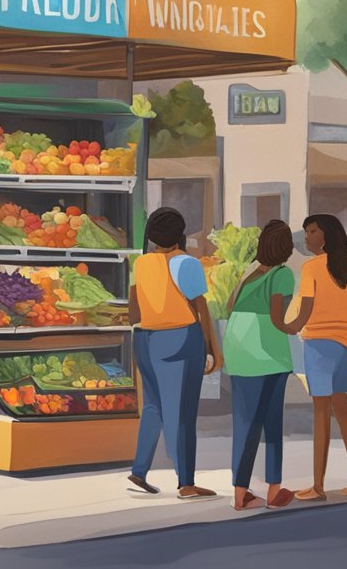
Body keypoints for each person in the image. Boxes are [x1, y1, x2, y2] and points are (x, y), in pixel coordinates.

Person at [127, 206, 221, 500]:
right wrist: (213, 349)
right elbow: (201, 308)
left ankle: (140, 469)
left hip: (144, 338)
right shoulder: (186, 263)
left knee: (153, 407)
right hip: (180, 337)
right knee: (182, 413)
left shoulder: (140, 263)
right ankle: (186, 483)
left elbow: (134, 308)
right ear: (180, 234)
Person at [283, 213, 347, 502]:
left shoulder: (312, 268)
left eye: (312, 231)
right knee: (343, 410)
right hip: (345, 344)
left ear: (326, 235)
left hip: (319, 344)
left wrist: (286, 326)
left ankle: (317, 486)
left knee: (321, 413)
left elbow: (305, 311)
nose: (307, 237)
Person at [222, 220, 296, 511]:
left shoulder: (249, 272)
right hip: (267, 354)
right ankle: (274, 490)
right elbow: (278, 317)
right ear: (286, 248)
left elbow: (229, 307)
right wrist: (296, 327)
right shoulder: (283, 274)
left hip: (238, 352)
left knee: (245, 423)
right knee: (272, 424)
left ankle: (240, 494)